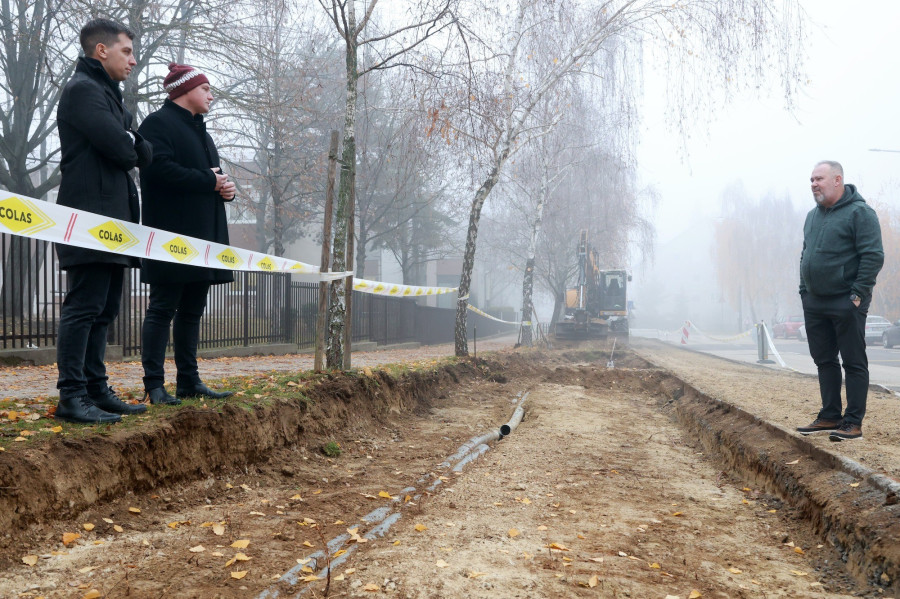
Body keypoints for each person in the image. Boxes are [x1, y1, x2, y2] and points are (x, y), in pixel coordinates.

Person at [54, 19, 152, 424]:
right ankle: (72, 395)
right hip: (88, 217)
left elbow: (142, 151)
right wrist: (128, 139)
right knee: (85, 306)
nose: (133, 60)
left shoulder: (108, 95)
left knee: (106, 308)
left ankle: (96, 390)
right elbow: (124, 150)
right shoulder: (83, 90)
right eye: (126, 51)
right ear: (101, 50)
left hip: (115, 218)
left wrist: (129, 138)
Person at [137, 63, 235, 405]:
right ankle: (154, 385)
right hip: (171, 234)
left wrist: (226, 189)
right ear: (184, 90)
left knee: (192, 310)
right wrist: (209, 180)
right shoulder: (157, 124)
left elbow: (211, 177)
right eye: (206, 89)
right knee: (162, 308)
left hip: (203, 236)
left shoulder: (202, 133)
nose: (211, 96)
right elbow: (157, 170)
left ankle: (188, 381)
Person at [796, 161, 884, 441]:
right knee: (824, 360)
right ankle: (829, 415)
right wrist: (804, 291)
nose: (813, 184)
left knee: (853, 362)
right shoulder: (812, 216)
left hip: (847, 300)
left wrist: (857, 294)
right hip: (815, 301)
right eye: (811, 179)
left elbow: (873, 256)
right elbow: (806, 254)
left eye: (819, 179)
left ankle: (852, 422)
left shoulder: (860, 213)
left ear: (837, 180)